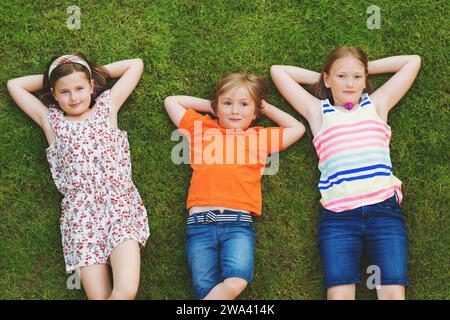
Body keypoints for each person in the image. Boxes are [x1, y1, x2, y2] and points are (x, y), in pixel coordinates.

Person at [271, 47, 421, 299]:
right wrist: (327, 76)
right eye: (341, 77)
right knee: (339, 295)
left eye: (357, 77)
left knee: (393, 293)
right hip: (339, 219)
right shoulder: (317, 111)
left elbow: (412, 61)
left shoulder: (377, 104)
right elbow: (279, 71)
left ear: (365, 79)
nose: (350, 84)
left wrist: (358, 68)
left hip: (383, 212)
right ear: (327, 79)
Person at [7, 53, 150, 299]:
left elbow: (135, 64)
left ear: (92, 85)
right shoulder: (51, 121)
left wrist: (84, 69)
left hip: (119, 205)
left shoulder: (107, 106)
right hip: (80, 215)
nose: (74, 97)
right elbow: (15, 85)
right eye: (64, 92)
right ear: (53, 93)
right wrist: (59, 75)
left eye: (80, 88)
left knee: (125, 290)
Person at [164, 71, 305, 299]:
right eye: (227, 104)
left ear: (255, 112)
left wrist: (266, 108)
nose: (235, 111)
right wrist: (212, 107)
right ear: (217, 107)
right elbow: (172, 101)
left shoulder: (259, 137)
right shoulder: (202, 128)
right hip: (200, 224)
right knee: (204, 288)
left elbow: (297, 129)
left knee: (236, 281)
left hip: (237, 225)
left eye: (244, 105)